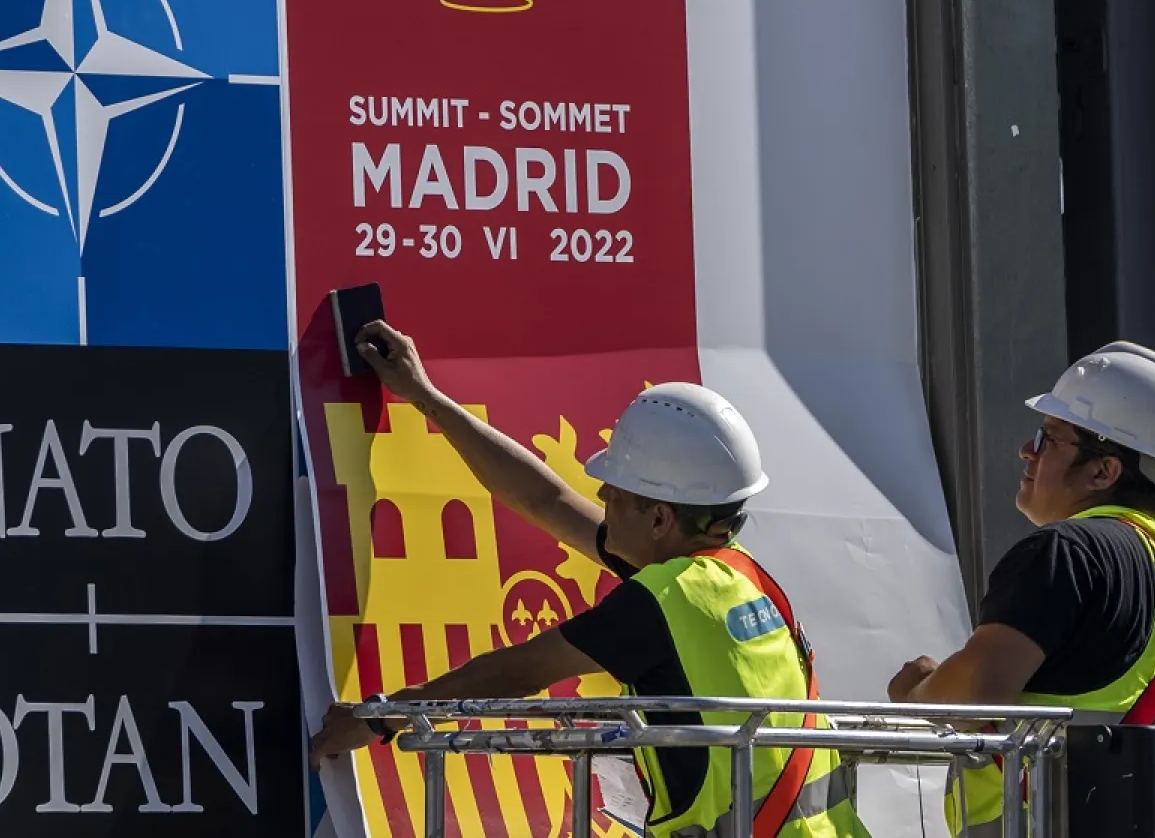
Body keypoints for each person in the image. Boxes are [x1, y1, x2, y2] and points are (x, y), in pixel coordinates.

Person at [309, 320, 869, 838]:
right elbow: (547, 500)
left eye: (616, 494)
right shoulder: (740, 576)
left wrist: (378, 718)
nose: (600, 496)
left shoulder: (659, 602)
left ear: (659, 519)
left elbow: (517, 670)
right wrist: (427, 398)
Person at [886, 341, 1155, 836]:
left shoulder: (1066, 552)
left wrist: (914, 692)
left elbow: (977, 694)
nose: (1027, 451)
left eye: (1048, 438)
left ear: (1103, 471)